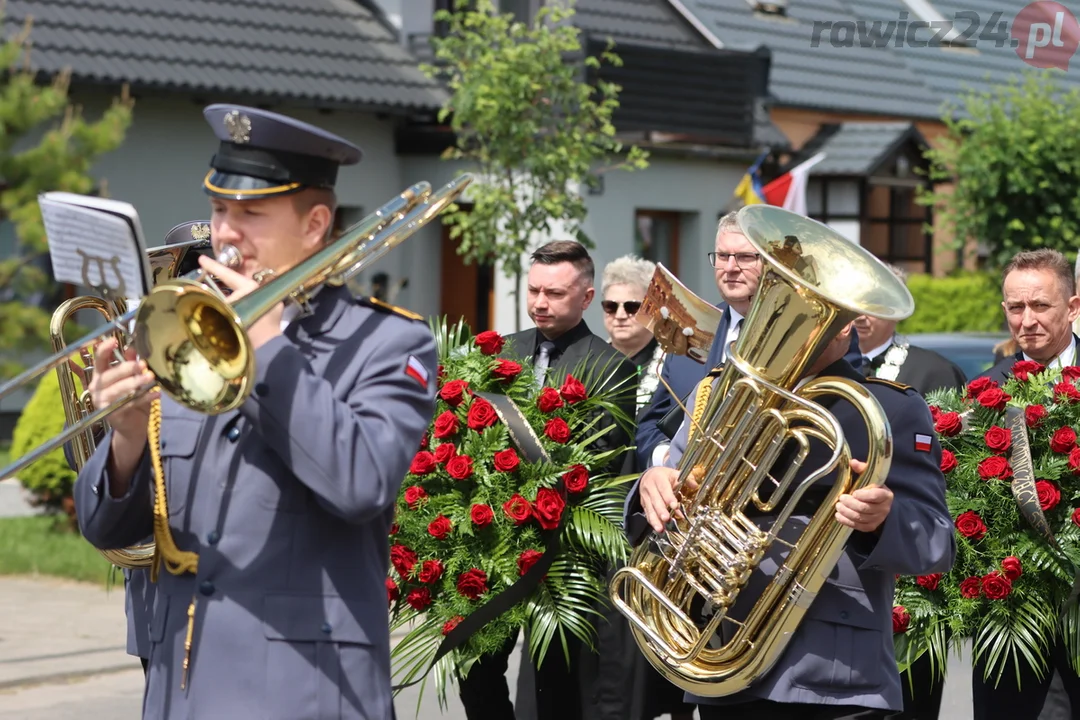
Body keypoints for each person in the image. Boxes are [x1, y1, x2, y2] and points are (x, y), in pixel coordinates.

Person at [72, 104, 438, 719]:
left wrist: (268, 346)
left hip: (307, 693)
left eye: (251, 214)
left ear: (316, 224)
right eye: (219, 210)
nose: (226, 234)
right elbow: (110, 533)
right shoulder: (187, 332)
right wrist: (128, 440)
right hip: (180, 691)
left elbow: (360, 485)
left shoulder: (386, 343)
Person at [625, 319, 956, 720]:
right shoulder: (720, 392)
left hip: (835, 671)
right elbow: (675, 491)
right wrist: (653, 484)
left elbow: (936, 544)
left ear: (845, 326)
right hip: (721, 650)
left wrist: (884, 519)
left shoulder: (891, 408)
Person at [454, 240, 637, 720]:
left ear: (586, 297)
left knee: (552, 685)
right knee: (474, 667)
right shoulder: (499, 353)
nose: (539, 302)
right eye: (534, 290)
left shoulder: (610, 367)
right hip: (491, 539)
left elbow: (599, 457)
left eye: (555, 293)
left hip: (561, 551)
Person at [972, 248, 1080, 720]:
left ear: (1073, 307)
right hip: (1012, 620)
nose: (1027, 320)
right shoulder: (982, 396)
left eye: (1041, 306)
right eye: (1016, 308)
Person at [855, 264, 967, 395]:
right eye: (854, 303)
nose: (859, 317)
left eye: (873, 305)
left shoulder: (935, 371)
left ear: (898, 311)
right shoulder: (827, 364)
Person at [599, 254, 663, 416]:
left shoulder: (670, 365)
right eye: (611, 306)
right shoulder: (590, 361)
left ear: (653, 309)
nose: (620, 315)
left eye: (632, 307)